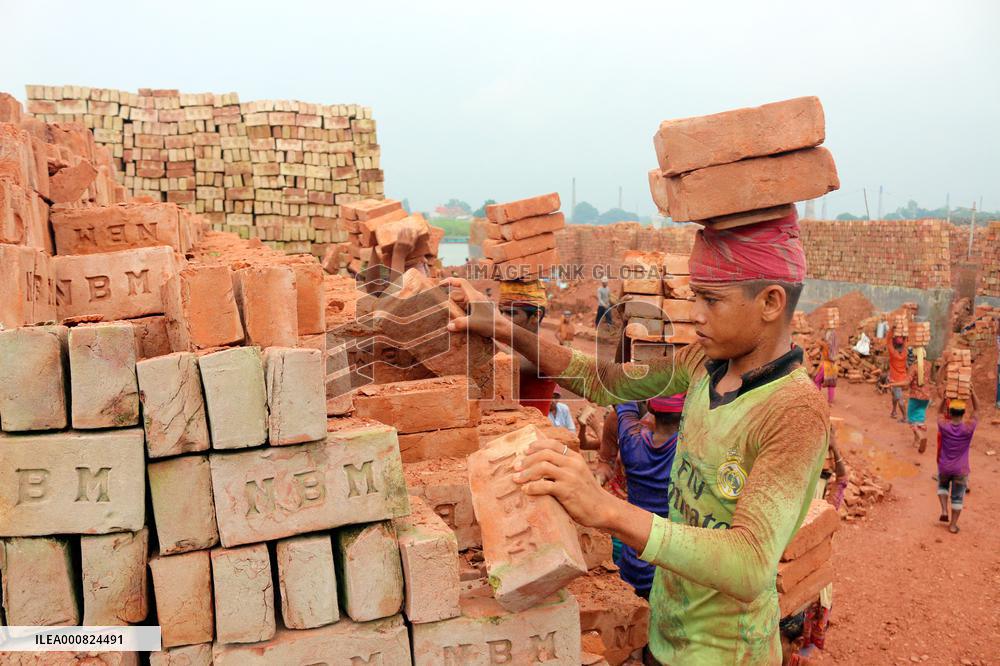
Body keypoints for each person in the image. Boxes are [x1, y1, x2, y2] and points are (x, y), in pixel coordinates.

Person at [443, 211, 829, 664]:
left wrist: (606, 509)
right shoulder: (702, 366)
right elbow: (604, 380)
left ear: (770, 302)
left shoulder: (794, 412)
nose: (696, 315)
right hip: (667, 634)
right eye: (694, 297)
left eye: (711, 300)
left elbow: (748, 564)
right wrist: (503, 329)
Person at [610, 394, 685, 599]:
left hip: (631, 564)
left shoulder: (631, 441)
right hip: (665, 567)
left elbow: (623, 398)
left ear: (651, 409)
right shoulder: (686, 452)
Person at [497, 280, 557, 416]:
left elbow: (516, 362)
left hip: (533, 433)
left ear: (536, 316)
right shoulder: (503, 344)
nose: (502, 318)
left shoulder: (547, 353)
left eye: (511, 313)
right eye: (501, 312)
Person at [936, 390, 977, 534]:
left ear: (950, 411)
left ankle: (943, 510)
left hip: (945, 467)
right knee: (958, 497)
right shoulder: (968, 428)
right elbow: (977, 410)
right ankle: (953, 526)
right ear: (963, 413)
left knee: (942, 486)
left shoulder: (944, 426)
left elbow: (939, 412)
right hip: (961, 469)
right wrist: (972, 393)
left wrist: (945, 397)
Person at [906, 353, 932, 453]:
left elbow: (907, 381)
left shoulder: (914, 367)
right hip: (926, 397)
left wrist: (893, 384)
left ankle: (920, 437)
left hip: (915, 396)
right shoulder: (929, 365)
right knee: (919, 418)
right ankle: (916, 441)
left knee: (912, 419)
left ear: (916, 356)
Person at [886, 334, 909, 421]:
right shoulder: (905, 353)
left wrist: (892, 330)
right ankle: (894, 411)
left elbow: (888, 341)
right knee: (894, 395)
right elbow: (906, 343)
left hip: (895, 379)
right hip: (902, 378)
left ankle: (905, 417)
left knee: (899, 398)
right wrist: (904, 336)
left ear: (894, 345)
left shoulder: (893, 354)